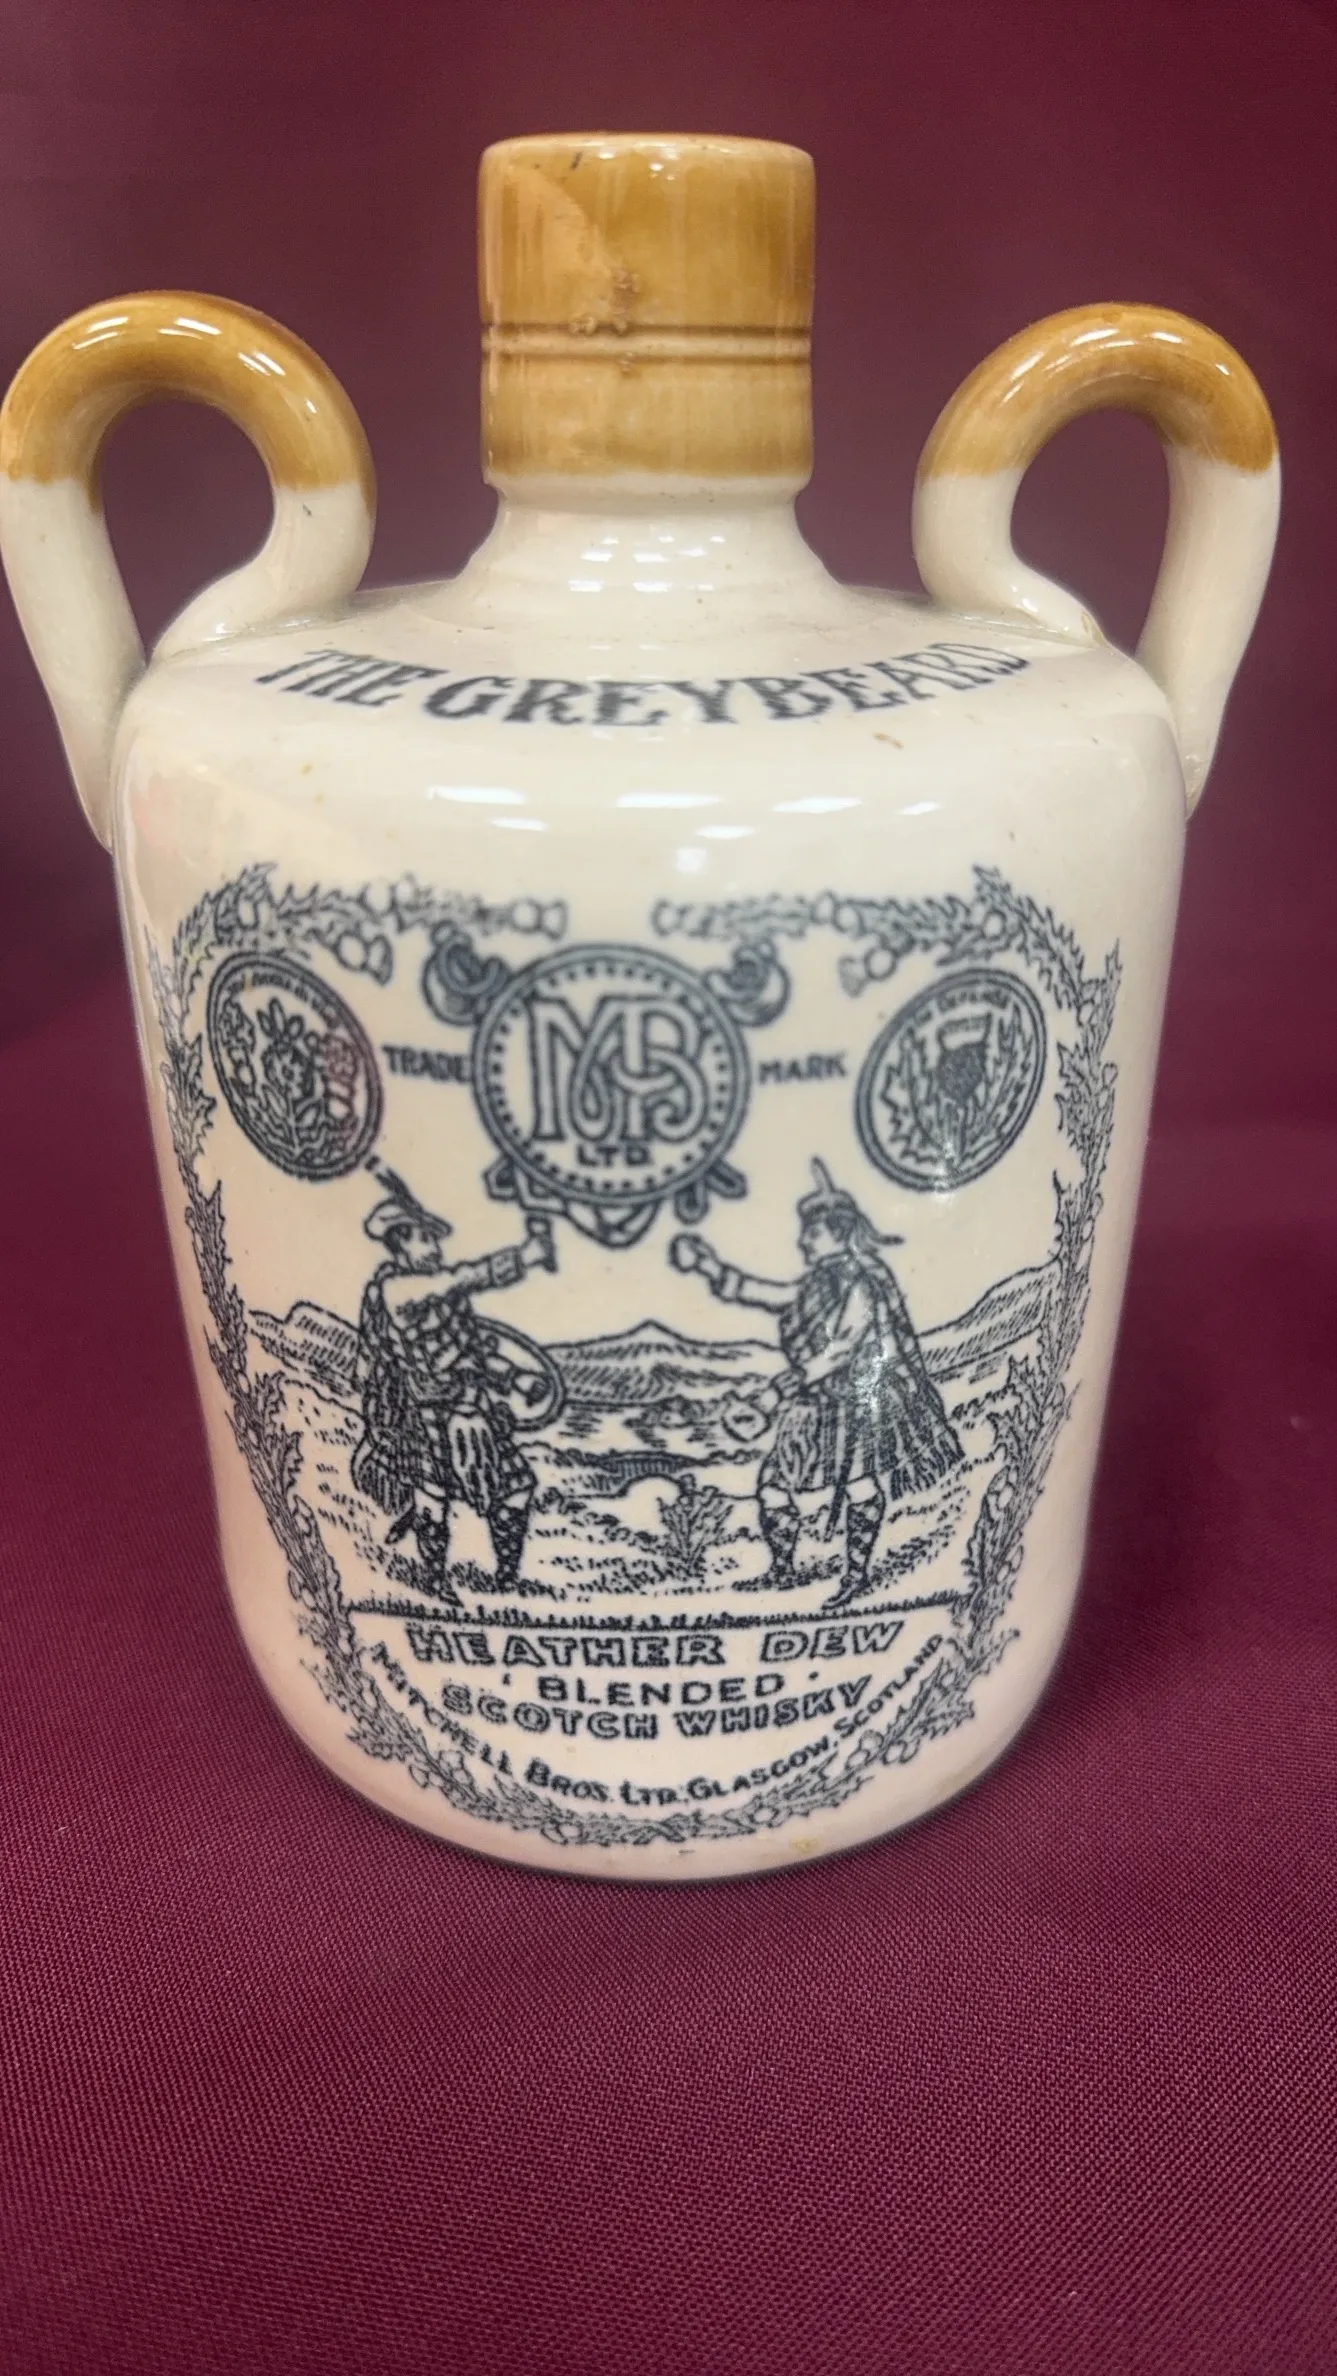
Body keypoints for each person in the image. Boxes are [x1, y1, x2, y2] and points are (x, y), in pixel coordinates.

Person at [671, 1160, 963, 1608]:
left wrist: (780, 1388)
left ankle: (856, 1576)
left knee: (860, 1484)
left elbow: (840, 1346)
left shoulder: (864, 1281)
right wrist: (711, 1269)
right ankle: (782, 1570)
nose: (803, 1240)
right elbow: (770, 1295)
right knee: (773, 1483)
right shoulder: (817, 1283)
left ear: (838, 1232)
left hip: (857, 1402)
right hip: (813, 1402)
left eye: (812, 1232)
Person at [351, 1163, 556, 1605]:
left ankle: (506, 1579)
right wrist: (526, 1256)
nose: (434, 1247)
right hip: (430, 1414)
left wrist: (512, 1378)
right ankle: (435, 1580)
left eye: (434, 1238)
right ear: (402, 1243)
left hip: (474, 1410)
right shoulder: (399, 1290)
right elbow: (461, 1278)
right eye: (425, 1238)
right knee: (433, 1494)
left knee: (516, 1487)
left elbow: (472, 1350)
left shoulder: (440, 1298)